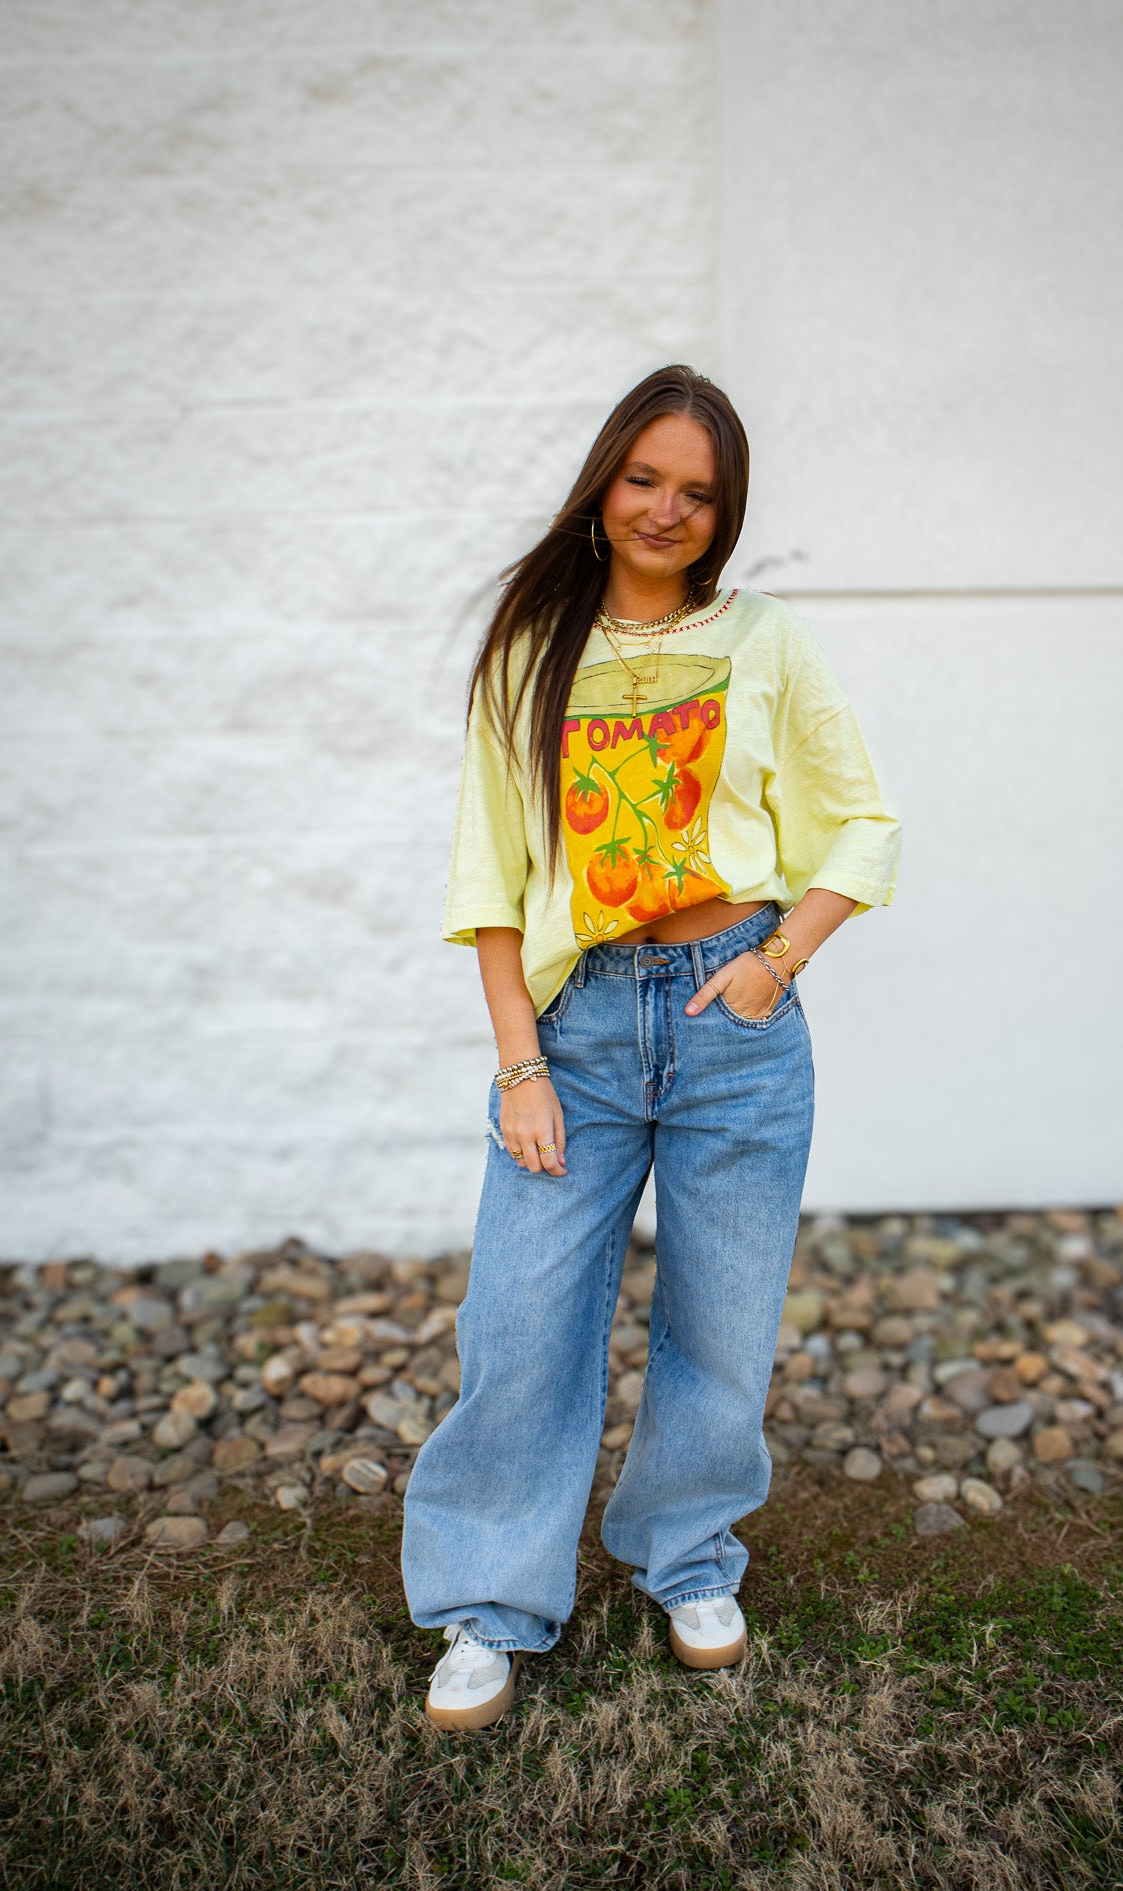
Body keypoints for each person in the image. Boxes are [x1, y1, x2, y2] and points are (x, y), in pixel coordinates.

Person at [400, 365, 901, 1730]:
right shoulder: (528, 650)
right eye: (645, 478)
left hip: (730, 1025)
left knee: (721, 1330)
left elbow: (862, 824)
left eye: (699, 491)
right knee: (518, 1325)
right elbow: (489, 880)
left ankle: (685, 1557)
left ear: (723, 511)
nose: (668, 508)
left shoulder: (766, 641)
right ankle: (488, 1603)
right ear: (603, 483)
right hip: (579, 1029)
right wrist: (519, 1066)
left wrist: (774, 962)